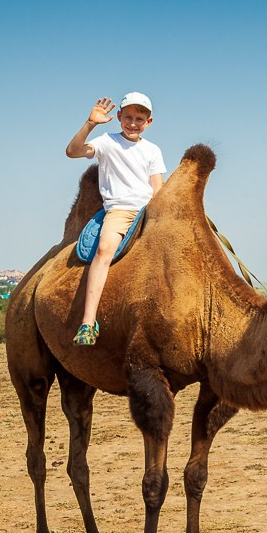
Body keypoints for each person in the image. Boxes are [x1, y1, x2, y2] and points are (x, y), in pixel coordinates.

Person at [65, 92, 166, 345]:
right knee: (104, 250)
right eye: (128, 117)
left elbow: (157, 189)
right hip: (119, 210)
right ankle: (88, 322)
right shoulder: (107, 142)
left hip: (148, 210)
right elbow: (72, 151)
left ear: (149, 122)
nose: (133, 123)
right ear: (119, 117)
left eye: (139, 119)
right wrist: (90, 124)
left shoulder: (152, 150)